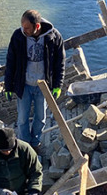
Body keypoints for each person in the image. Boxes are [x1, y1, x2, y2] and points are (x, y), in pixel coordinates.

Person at [4, 10, 66, 149]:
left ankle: (36, 142)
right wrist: (8, 86)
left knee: (41, 117)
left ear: (37, 26)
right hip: (24, 84)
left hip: (43, 85)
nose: (23, 30)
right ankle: (25, 146)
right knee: (22, 119)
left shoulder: (54, 37)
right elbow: (11, 62)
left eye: (27, 28)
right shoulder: (18, 36)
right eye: (22, 26)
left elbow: (59, 62)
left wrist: (57, 85)